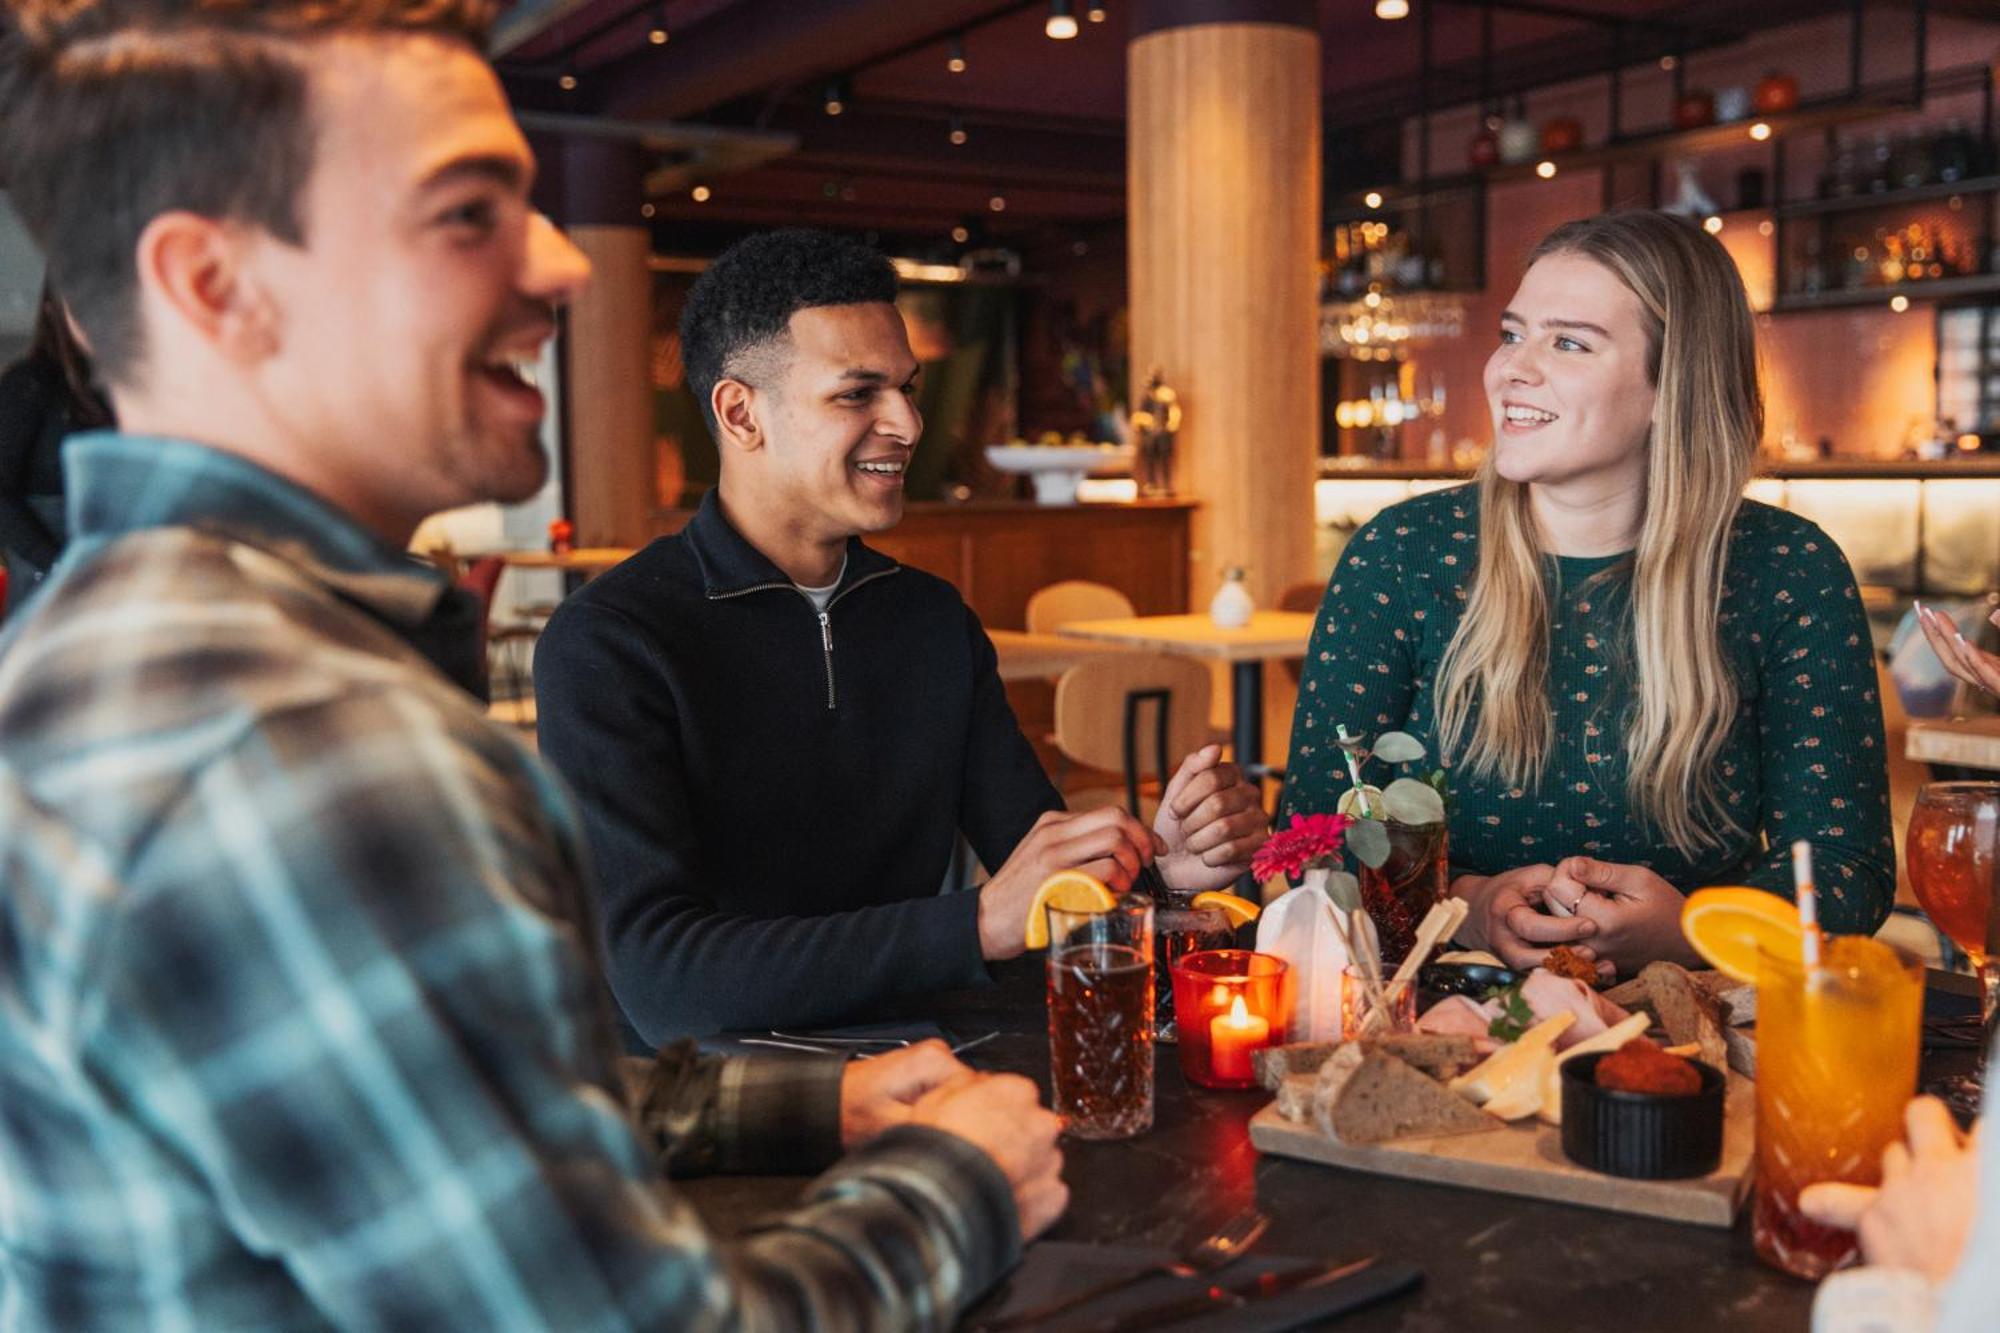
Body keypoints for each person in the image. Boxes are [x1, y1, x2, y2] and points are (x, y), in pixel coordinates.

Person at [0, 3, 1064, 1327]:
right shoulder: (289, 746)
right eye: (466, 212)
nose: (563, 261)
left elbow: (414, 1101)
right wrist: (954, 1186)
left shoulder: (113, 646)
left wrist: (811, 1098)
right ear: (217, 286)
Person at [534, 228, 1269, 1041]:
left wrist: (1161, 880)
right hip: (719, 1116)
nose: (910, 424)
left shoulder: (930, 621)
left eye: (909, 389)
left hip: (929, 1066)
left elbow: (1043, 878)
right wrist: (976, 923)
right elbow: (663, 984)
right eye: (858, 394)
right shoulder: (610, 642)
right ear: (741, 413)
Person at [1281, 210, 1894, 977]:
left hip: (1693, 1031)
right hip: (1440, 1014)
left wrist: (1692, 929)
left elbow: (1846, 869)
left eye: (1567, 342)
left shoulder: (1787, 571)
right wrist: (1465, 905)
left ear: (1672, 388)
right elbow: (1306, 835)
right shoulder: (1403, 554)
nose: (1511, 368)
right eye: (1513, 333)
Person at [0, 284, 111, 606]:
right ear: (53, 310)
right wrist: (58, 564)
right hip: (49, 595)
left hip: (118, 586)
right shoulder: (30, 384)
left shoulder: (136, 392)